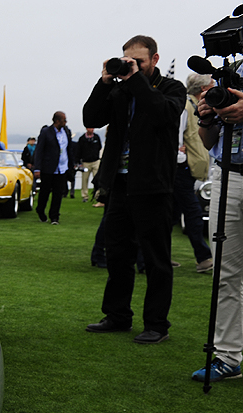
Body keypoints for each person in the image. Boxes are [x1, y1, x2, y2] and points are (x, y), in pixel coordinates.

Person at [82, 35, 184, 345]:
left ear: (154, 59)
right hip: (121, 184)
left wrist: (135, 79)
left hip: (154, 185)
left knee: (155, 258)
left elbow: (162, 113)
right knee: (117, 254)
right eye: (129, 61)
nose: (133, 66)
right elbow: (91, 118)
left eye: (139, 61)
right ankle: (117, 315)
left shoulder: (171, 88)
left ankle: (156, 324)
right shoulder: (120, 89)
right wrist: (104, 82)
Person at [190, 69, 243, 379]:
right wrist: (207, 117)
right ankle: (227, 357)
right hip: (229, 174)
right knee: (226, 272)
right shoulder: (232, 69)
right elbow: (209, 142)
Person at [177, 73, 214, 273]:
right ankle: (204, 257)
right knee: (192, 212)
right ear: (202, 90)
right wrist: (180, 157)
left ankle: (153, 258)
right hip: (182, 169)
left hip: (186, 168)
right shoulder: (186, 107)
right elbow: (176, 136)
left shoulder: (191, 106)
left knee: (170, 213)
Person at [33, 111, 73, 224]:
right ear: (57, 121)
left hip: (62, 168)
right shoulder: (46, 132)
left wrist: (71, 164)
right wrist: (37, 168)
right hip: (48, 168)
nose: (65, 122)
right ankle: (40, 210)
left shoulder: (66, 132)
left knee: (58, 193)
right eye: (64, 120)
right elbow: (39, 151)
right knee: (45, 192)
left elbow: (69, 149)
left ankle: (54, 217)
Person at [77, 128, 102, 203]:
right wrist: (79, 162)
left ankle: (97, 195)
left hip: (95, 161)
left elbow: (99, 147)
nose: (92, 130)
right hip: (86, 162)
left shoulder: (96, 137)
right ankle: (85, 196)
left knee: (97, 179)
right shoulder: (82, 139)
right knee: (84, 180)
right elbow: (79, 150)